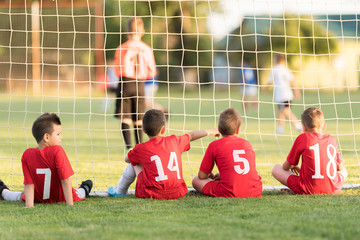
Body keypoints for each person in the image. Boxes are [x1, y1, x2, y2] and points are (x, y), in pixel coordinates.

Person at [108, 109, 219, 200]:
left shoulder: (141, 148)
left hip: (151, 193)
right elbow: (191, 135)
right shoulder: (175, 140)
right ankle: (120, 190)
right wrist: (211, 131)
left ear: (143, 130)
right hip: (178, 192)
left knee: (134, 161)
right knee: (139, 158)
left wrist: (136, 154)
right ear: (164, 129)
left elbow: (127, 159)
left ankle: (119, 191)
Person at [0, 113, 93, 207]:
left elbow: (29, 184)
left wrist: (29, 205)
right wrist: (70, 205)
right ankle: (85, 188)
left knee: (21, 195)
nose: (61, 137)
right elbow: (66, 180)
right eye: (58, 134)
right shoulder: (58, 151)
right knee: (79, 192)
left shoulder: (27, 154)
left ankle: (3, 191)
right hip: (62, 198)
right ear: (47, 137)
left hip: (38, 198)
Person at [271, 107, 348, 194]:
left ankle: (297, 189)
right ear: (324, 125)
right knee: (344, 171)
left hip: (307, 189)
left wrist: (294, 166)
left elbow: (285, 167)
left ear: (303, 127)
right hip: (333, 189)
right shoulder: (331, 139)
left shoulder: (302, 138)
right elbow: (339, 167)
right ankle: (331, 186)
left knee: (276, 168)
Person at [192, 108, 263, 198]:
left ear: (219, 129)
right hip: (256, 191)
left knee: (196, 180)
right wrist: (223, 175)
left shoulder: (214, 145)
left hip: (231, 192)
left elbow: (201, 176)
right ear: (238, 129)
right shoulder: (247, 144)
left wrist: (211, 177)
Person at [113, 17, 156, 149]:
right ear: (142, 31)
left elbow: (117, 69)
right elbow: (152, 71)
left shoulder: (122, 48)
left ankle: (128, 147)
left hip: (125, 82)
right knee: (138, 117)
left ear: (127, 31)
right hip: (140, 84)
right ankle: (139, 146)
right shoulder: (146, 49)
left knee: (125, 117)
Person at [267, 53, 302, 134]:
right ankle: (280, 128)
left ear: (276, 59)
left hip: (283, 94)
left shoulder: (275, 69)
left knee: (286, 111)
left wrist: (265, 89)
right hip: (283, 94)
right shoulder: (284, 69)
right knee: (280, 110)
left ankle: (298, 125)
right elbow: (292, 80)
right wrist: (296, 91)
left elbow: (269, 81)